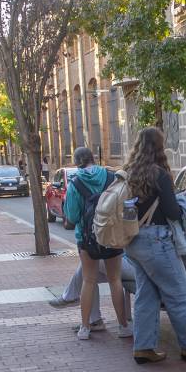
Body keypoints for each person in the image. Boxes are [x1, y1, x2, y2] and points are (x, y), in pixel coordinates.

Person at [121, 127, 186, 365]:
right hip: (157, 242)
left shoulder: (128, 173)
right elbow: (173, 212)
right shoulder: (159, 175)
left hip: (133, 241)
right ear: (159, 147)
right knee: (181, 295)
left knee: (147, 294)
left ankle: (143, 348)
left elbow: (128, 208)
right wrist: (179, 199)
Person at [62, 146, 131, 341]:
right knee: (115, 280)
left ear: (77, 162)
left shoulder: (75, 183)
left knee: (89, 280)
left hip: (87, 239)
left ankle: (85, 328)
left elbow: (73, 216)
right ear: (93, 158)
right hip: (111, 237)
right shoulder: (111, 177)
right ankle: (123, 326)